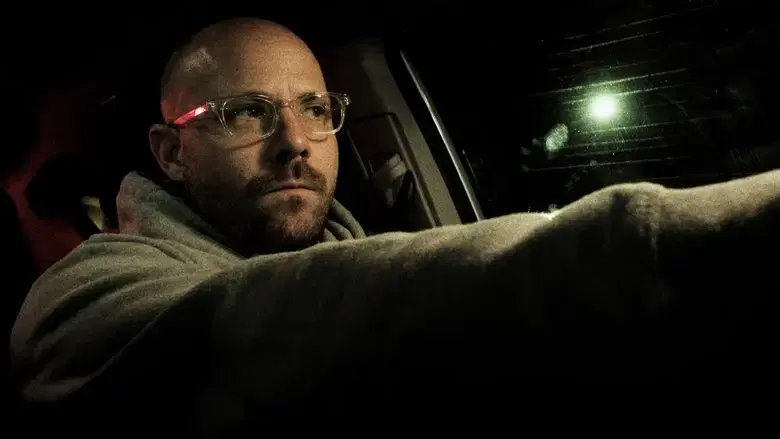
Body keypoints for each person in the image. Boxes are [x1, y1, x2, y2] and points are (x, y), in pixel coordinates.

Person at [9, 17, 779, 434]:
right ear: (171, 151)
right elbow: (294, 314)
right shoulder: (83, 298)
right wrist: (650, 242)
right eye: (245, 112)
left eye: (316, 109)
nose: (295, 142)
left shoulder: (361, 253)